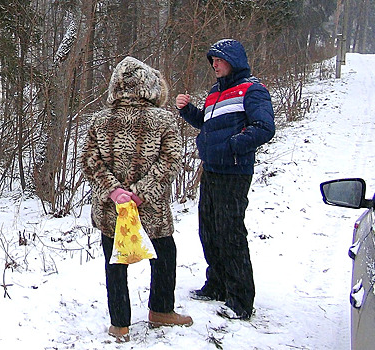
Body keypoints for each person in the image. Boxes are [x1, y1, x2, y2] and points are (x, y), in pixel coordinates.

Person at [81, 56, 193, 343]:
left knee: (115, 262)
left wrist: (116, 192)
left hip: (112, 209)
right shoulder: (164, 119)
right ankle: (161, 309)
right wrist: (140, 192)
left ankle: (120, 324)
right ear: (150, 85)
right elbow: (171, 161)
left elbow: (90, 160)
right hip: (151, 208)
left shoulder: (99, 119)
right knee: (164, 256)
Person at [176, 39, 275, 320]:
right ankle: (217, 285)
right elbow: (209, 126)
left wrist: (233, 146)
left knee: (230, 234)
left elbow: (265, 127)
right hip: (211, 170)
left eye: (219, 59)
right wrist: (188, 111)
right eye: (212, 61)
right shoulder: (214, 93)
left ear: (233, 60)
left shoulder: (252, 90)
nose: (215, 65)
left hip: (234, 172)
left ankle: (241, 300)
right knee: (209, 230)